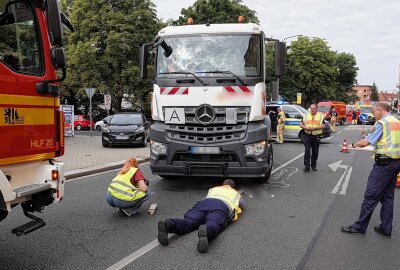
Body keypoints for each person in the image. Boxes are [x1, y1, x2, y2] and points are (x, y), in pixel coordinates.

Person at [341, 102, 400, 238]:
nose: (374, 114)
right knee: (388, 197)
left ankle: (359, 226)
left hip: (383, 165)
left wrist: (353, 144)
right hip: (395, 163)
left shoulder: (382, 123)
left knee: (371, 196)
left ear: (380, 109)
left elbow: (365, 143)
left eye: (374, 112)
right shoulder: (396, 122)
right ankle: (386, 228)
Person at [157, 179, 244, 253]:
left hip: (202, 204)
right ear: (233, 187)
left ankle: (168, 224)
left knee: (188, 222)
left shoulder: (213, 189)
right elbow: (241, 205)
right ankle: (206, 230)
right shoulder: (236, 193)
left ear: (223, 184)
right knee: (213, 222)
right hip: (220, 206)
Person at [300, 103, 325, 172]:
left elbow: (323, 125)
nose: (312, 110)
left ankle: (313, 165)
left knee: (315, 152)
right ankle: (307, 167)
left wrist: (315, 128)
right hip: (307, 134)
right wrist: (305, 127)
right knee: (307, 151)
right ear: (310, 109)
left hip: (316, 136)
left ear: (316, 109)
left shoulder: (320, 116)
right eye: (311, 108)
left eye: (314, 108)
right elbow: (301, 124)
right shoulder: (306, 116)